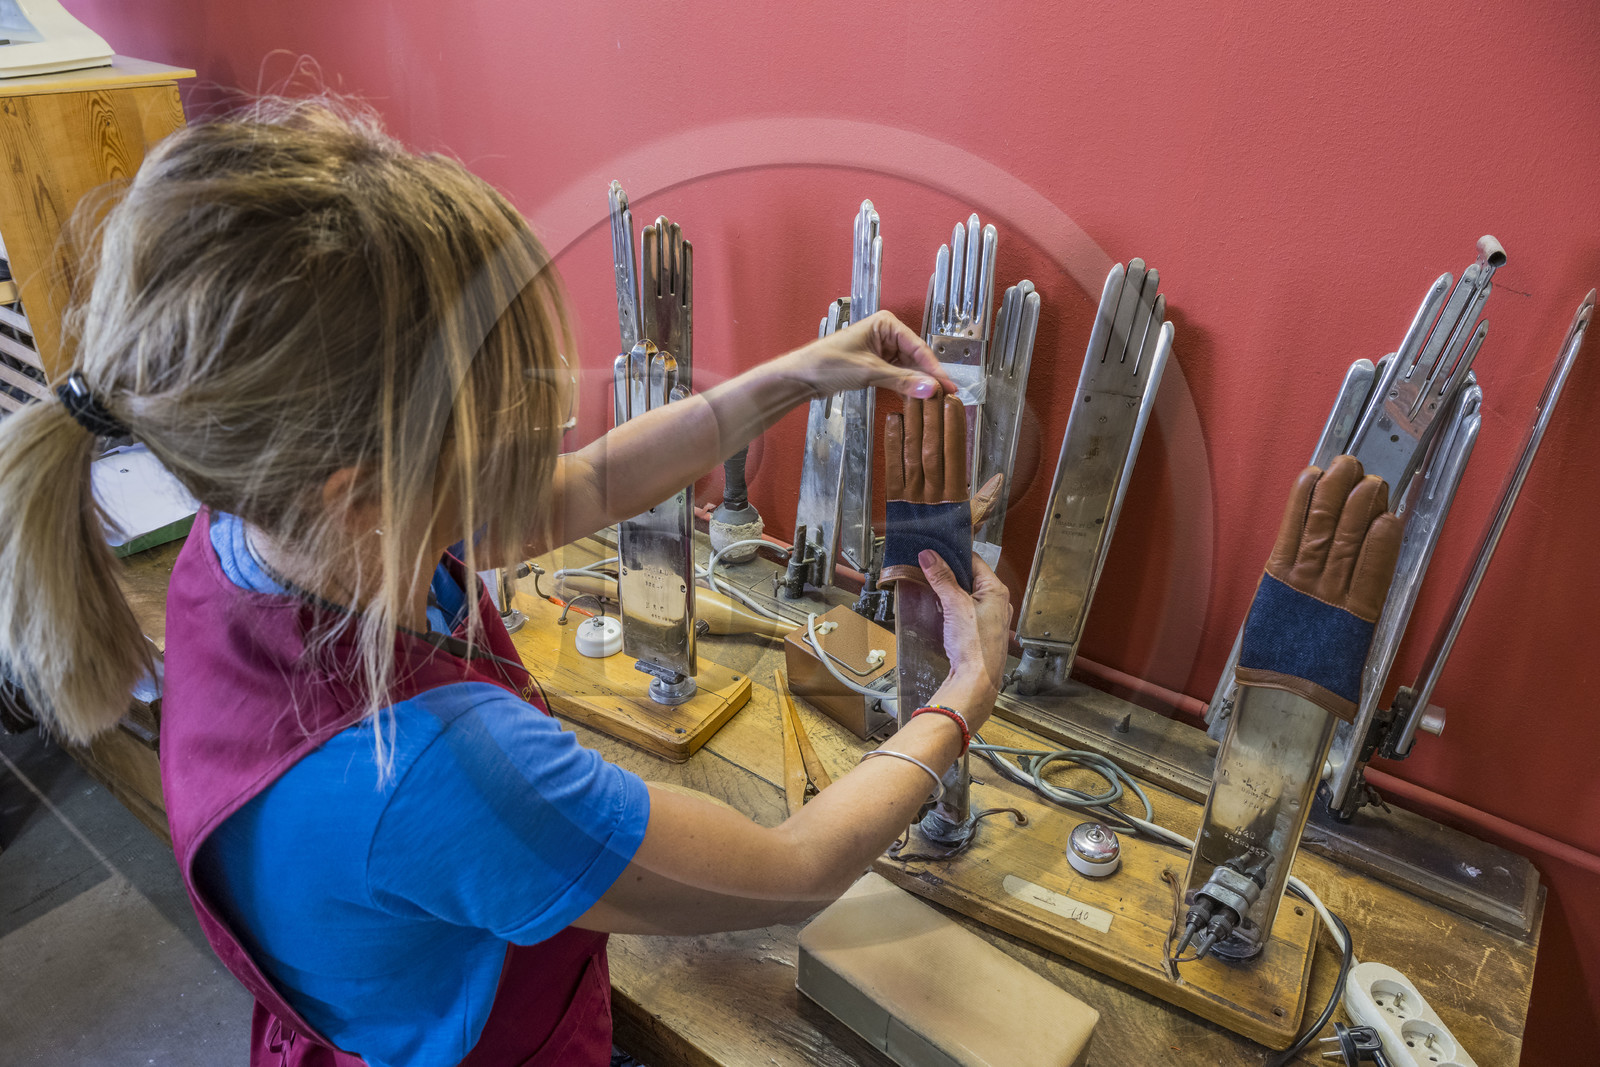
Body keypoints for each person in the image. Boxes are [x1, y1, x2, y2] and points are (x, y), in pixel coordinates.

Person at [0, 100, 1011, 1066]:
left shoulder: (257, 522)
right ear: (363, 492)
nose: (532, 436)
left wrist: (795, 375)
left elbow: (567, 492)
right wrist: (963, 692)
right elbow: (791, 871)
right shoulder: (446, 771)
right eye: (488, 414)